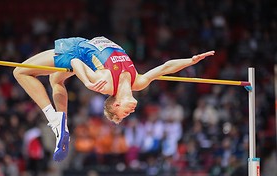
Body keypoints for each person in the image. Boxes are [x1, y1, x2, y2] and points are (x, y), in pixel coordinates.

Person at [13, 36, 214, 162]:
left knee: (20, 72)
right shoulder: (139, 82)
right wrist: (190, 61)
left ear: (116, 103)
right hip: (85, 46)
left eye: (124, 112)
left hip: (76, 49)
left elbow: (75, 62)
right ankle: (61, 124)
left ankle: (54, 118)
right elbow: (165, 68)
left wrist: (86, 82)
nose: (131, 112)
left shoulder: (106, 83)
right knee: (55, 80)